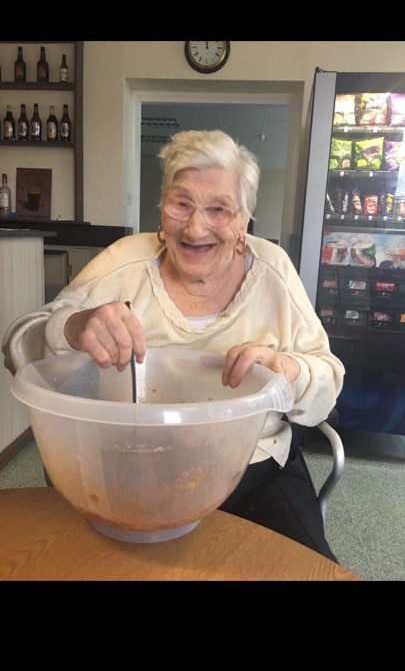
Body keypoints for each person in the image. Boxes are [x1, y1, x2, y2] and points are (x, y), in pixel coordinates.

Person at [2, 129, 344, 562]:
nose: (196, 227)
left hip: (253, 468)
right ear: (162, 206)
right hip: (123, 470)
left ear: (244, 219)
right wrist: (72, 328)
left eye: (219, 209)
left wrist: (289, 370)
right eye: (182, 203)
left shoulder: (274, 270)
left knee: (304, 569)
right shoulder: (124, 261)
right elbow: (18, 346)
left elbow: (328, 382)